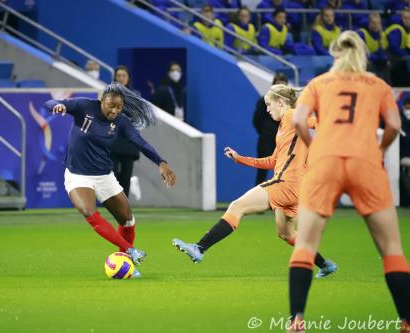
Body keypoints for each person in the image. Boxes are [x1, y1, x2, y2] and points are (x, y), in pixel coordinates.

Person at [288, 31, 410, 332]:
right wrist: (380, 150)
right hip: (365, 162)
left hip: (325, 162)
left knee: (304, 243)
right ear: (363, 55)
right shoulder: (378, 85)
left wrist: (313, 146)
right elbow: (394, 125)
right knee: (391, 247)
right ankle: (406, 321)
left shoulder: (318, 84)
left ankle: (296, 320)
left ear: (334, 55)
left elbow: (299, 121)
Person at [172, 84, 337, 279]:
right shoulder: (285, 126)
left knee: (236, 206)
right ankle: (325, 265)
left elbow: (317, 123)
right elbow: (272, 161)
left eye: (269, 105)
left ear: (281, 102)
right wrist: (240, 158)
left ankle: (199, 247)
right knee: (287, 234)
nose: (267, 109)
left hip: (286, 183)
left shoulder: (291, 115)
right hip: (294, 187)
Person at [44, 83, 177, 278]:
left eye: (119, 107)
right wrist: (58, 106)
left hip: (104, 176)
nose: (114, 110)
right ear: (101, 102)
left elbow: (140, 142)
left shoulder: (121, 122)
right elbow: (50, 102)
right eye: (110, 105)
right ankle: (129, 250)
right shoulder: (84, 106)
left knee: (128, 222)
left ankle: (125, 263)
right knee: (88, 211)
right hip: (77, 176)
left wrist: (161, 162)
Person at [110, 66, 141, 197]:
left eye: (124, 75)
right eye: (119, 76)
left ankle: (124, 201)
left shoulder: (135, 95)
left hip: (129, 138)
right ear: (115, 78)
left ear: (128, 78)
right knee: (112, 171)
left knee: (126, 171)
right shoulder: (108, 94)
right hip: (113, 137)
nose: (121, 78)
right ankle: (113, 199)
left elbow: (137, 114)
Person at [252, 72, 288, 186]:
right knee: (262, 173)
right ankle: (258, 202)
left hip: (284, 143)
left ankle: (280, 202)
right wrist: (267, 133)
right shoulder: (264, 101)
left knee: (285, 173)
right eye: (278, 86)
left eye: (283, 86)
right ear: (273, 86)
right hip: (266, 142)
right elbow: (256, 121)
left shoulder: (290, 104)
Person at [357, 12, 391, 82]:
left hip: (377, 61)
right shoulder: (362, 33)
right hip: (364, 60)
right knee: (370, 65)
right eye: (373, 22)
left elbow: (384, 51)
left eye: (378, 23)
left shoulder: (383, 35)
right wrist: (373, 57)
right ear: (369, 23)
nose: (376, 25)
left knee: (387, 64)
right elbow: (360, 52)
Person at [385, 8, 410, 86]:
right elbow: (394, 47)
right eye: (405, 18)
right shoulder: (397, 28)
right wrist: (407, 56)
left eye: (409, 18)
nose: (407, 20)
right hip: (391, 59)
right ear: (401, 18)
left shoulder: (405, 30)